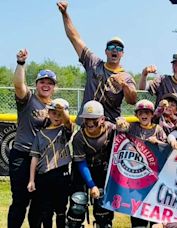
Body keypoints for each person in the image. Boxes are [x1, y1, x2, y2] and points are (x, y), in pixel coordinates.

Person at [57, 1, 137, 125]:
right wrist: (65, 13)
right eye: (111, 47)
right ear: (105, 52)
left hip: (109, 127)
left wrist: (125, 86)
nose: (115, 50)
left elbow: (132, 100)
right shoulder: (93, 63)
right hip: (85, 124)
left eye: (119, 48)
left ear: (122, 54)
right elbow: (74, 38)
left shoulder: (126, 77)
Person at [8, 49, 57, 228]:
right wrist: (21, 63)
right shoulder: (28, 99)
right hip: (22, 156)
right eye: (42, 82)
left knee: (38, 205)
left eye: (50, 83)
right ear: (36, 84)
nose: (46, 85)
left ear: (54, 87)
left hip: (42, 161)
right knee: (20, 202)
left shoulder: (55, 107)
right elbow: (19, 86)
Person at [117, 99, 167, 227]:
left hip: (155, 177)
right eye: (140, 113)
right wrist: (120, 123)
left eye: (147, 112)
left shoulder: (158, 129)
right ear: (136, 115)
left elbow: (167, 150)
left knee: (156, 217)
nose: (144, 115)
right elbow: (119, 129)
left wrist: (158, 143)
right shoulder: (132, 127)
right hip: (137, 177)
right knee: (138, 214)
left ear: (152, 114)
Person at [67, 100, 115, 228]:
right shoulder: (79, 138)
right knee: (77, 204)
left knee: (103, 209)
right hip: (81, 171)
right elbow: (81, 163)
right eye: (86, 118)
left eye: (93, 119)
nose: (89, 122)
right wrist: (91, 185)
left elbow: (127, 132)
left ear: (102, 119)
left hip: (101, 169)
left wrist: (124, 125)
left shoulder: (111, 130)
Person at [27, 98, 73, 228]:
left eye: (60, 114)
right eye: (54, 113)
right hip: (44, 175)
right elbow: (35, 157)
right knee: (46, 210)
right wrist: (32, 180)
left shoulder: (65, 130)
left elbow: (68, 122)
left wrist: (62, 110)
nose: (57, 116)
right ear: (48, 113)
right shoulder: (41, 134)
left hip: (61, 173)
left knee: (60, 210)